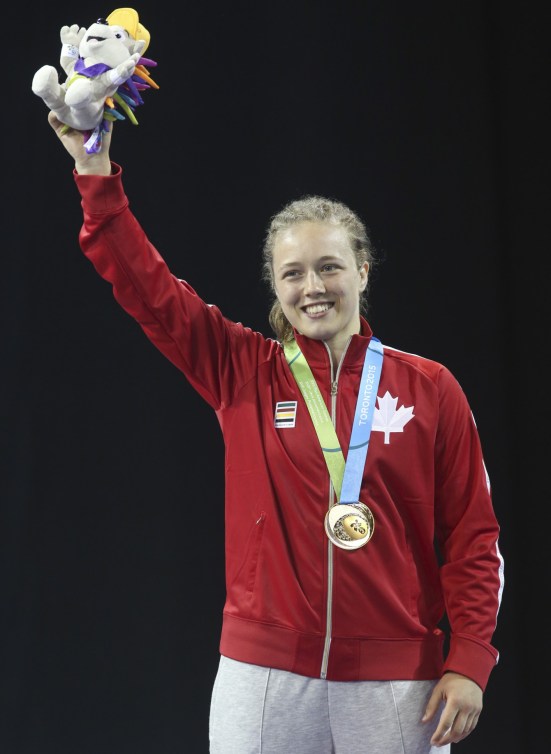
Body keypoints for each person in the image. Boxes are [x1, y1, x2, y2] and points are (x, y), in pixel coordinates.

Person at [46, 109, 504, 753]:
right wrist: (93, 172)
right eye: (293, 273)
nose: (312, 287)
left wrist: (470, 659)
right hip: (263, 674)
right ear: (276, 286)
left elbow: (474, 537)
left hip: (399, 681)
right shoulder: (243, 370)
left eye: (329, 267)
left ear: (363, 271)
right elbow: (148, 287)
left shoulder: (431, 388)